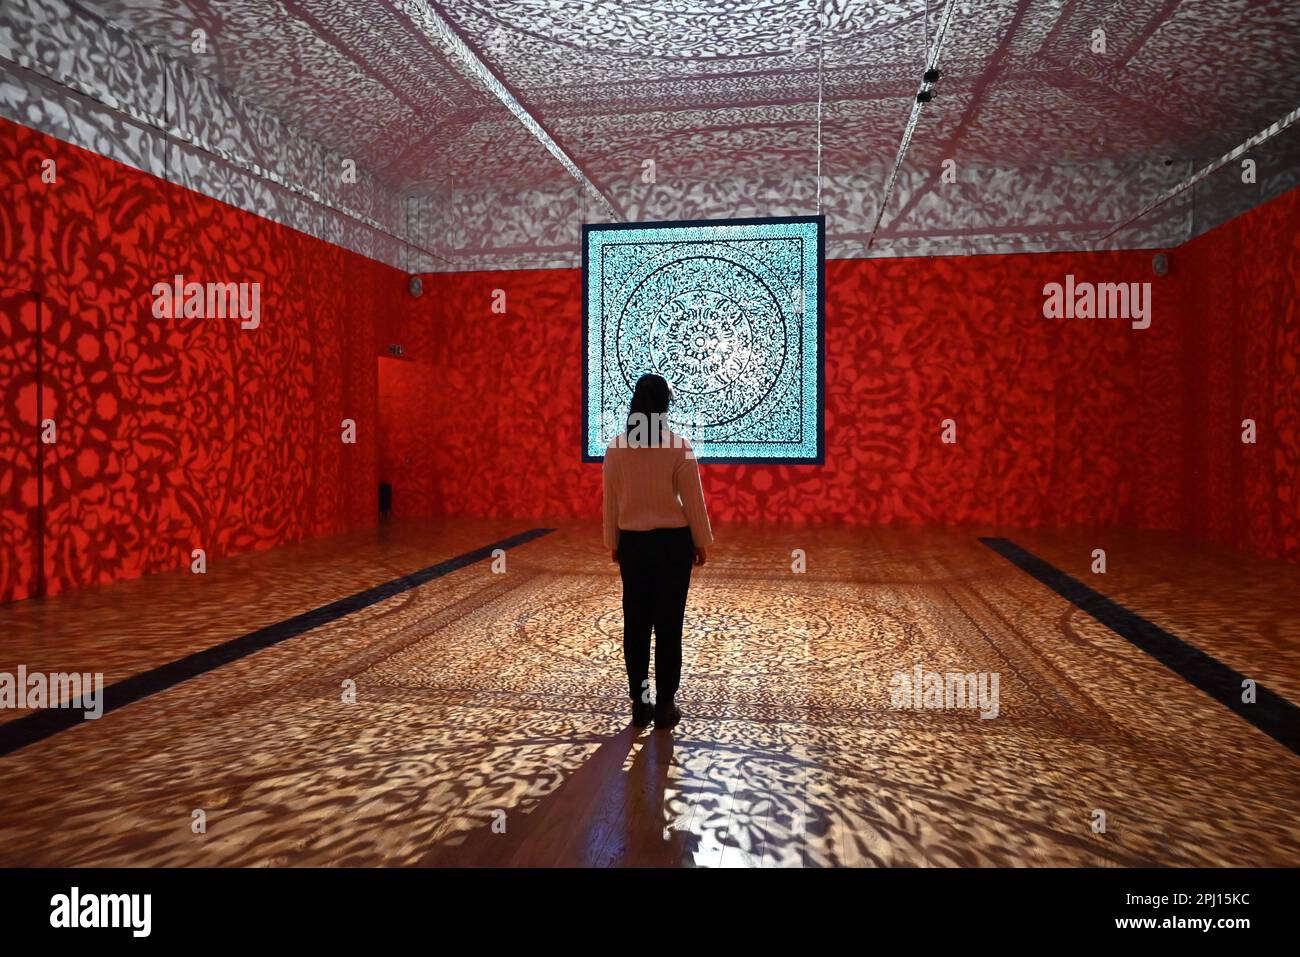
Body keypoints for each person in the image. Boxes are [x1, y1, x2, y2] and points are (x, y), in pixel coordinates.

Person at [603, 373, 712, 730]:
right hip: (672, 546)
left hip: (634, 545)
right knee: (669, 627)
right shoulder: (679, 447)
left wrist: (613, 543)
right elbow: (693, 501)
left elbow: (611, 502)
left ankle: (640, 704)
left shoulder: (617, 448)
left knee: (636, 625)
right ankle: (665, 706)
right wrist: (701, 541)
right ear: (665, 406)